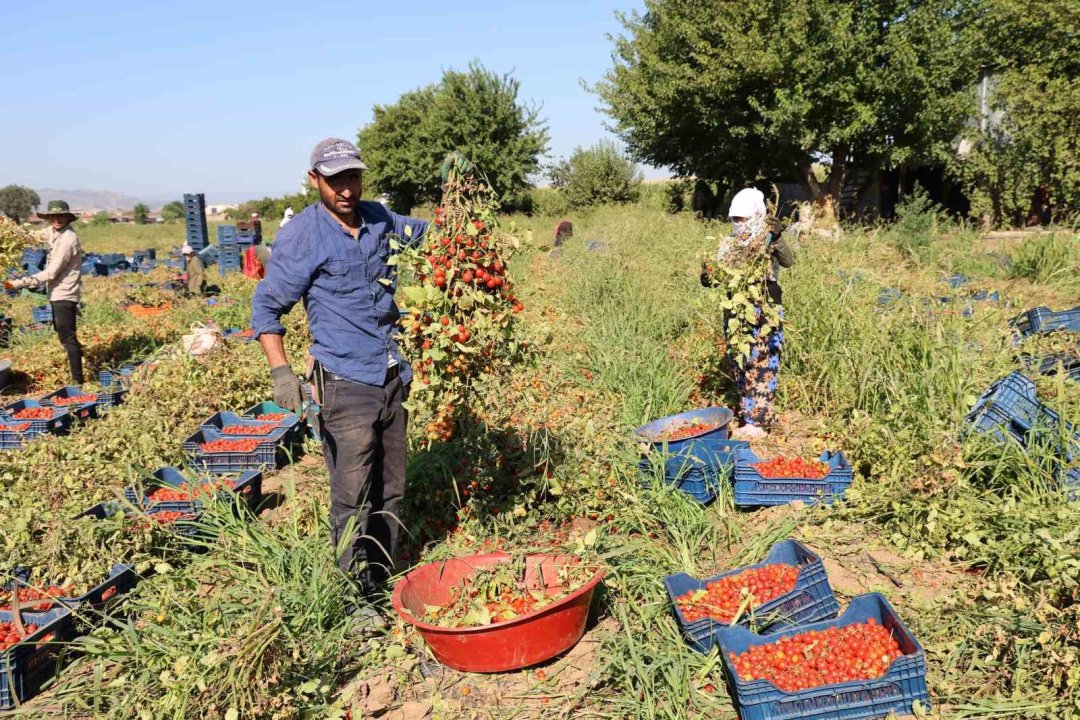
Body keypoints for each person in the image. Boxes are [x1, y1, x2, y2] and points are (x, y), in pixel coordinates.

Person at [251, 137, 429, 621]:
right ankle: (355, 595)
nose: (346, 190)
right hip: (345, 380)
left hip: (391, 373)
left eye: (352, 177)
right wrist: (282, 372)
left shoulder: (379, 218)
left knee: (392, 484)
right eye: (335, 181)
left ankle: (384, 573)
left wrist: (464, 212)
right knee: (351, 492)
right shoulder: (302, 236)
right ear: (315, 181)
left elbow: (430, 236)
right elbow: (267, 307)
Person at [710, 188, 795, 440]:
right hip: (737, 311)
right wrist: (708, 276)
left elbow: (789, 261)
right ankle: (748, 413)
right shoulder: (729, 244)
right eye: (734, 220)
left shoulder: (768, 241)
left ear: (758, 216)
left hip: (765, 310)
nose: (738, 225)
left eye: (743, 219)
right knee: (741, 361)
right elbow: (718, 276)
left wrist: (778, 236)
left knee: (763, 363)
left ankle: (758, 422)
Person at [4, 200, 85, 384]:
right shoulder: (54, 232)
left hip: (65, 294)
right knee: (63, 334)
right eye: (53, 216)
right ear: (49, 218)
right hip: (56, 293)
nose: (56, 219)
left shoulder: (68, 239)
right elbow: (34, 236)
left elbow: (51, 273)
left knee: (68, 337)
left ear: (67, 218)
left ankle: (79, 381)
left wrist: (18, 283)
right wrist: (9, 228)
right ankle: (81, 361)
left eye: (61, 216)